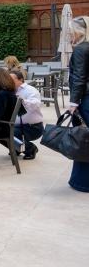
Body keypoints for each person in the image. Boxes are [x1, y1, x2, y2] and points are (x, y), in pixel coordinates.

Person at [67, 16, 89, 192]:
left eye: (70, 31)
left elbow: (79, 78)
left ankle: (82, 181)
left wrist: (73, 102)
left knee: (82, 140)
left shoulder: (81, 49)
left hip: (86, 100)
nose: (69, 34)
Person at [9, 69, 43, 160]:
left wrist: (22, 101)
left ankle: (30, 148)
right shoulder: (9, 91)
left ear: (20, 79)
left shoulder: (30, 90)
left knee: (9, 132)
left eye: (12, 80)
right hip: (16, 125)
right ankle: (17, 146)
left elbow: (35, 104)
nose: (9, 82)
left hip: (32, 127)